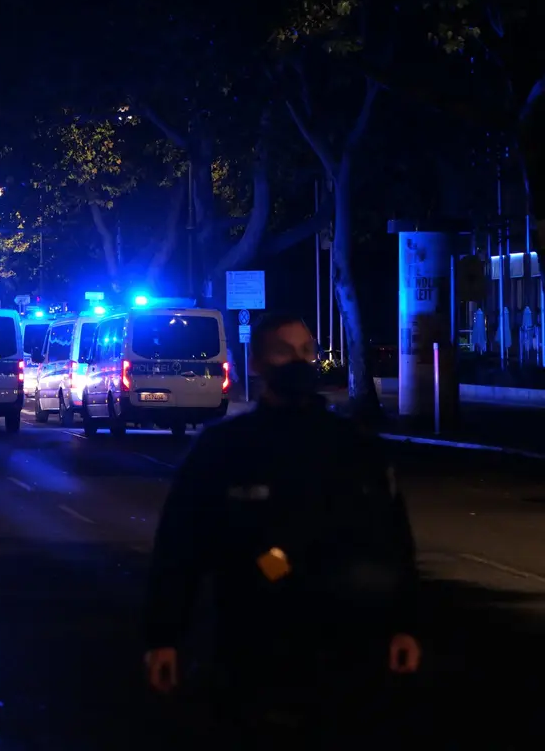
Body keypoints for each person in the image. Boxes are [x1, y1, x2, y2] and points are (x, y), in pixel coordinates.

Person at [143, 313, 422, 743]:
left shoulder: (354, 445)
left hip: (347, 645)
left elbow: (392, 535)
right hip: (252, 644)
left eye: (306, 351)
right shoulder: (225, 447)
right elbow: (181, 544)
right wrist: (165, 635)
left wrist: (405, 624)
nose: (298, 361)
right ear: (256, 363)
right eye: (283, 351)